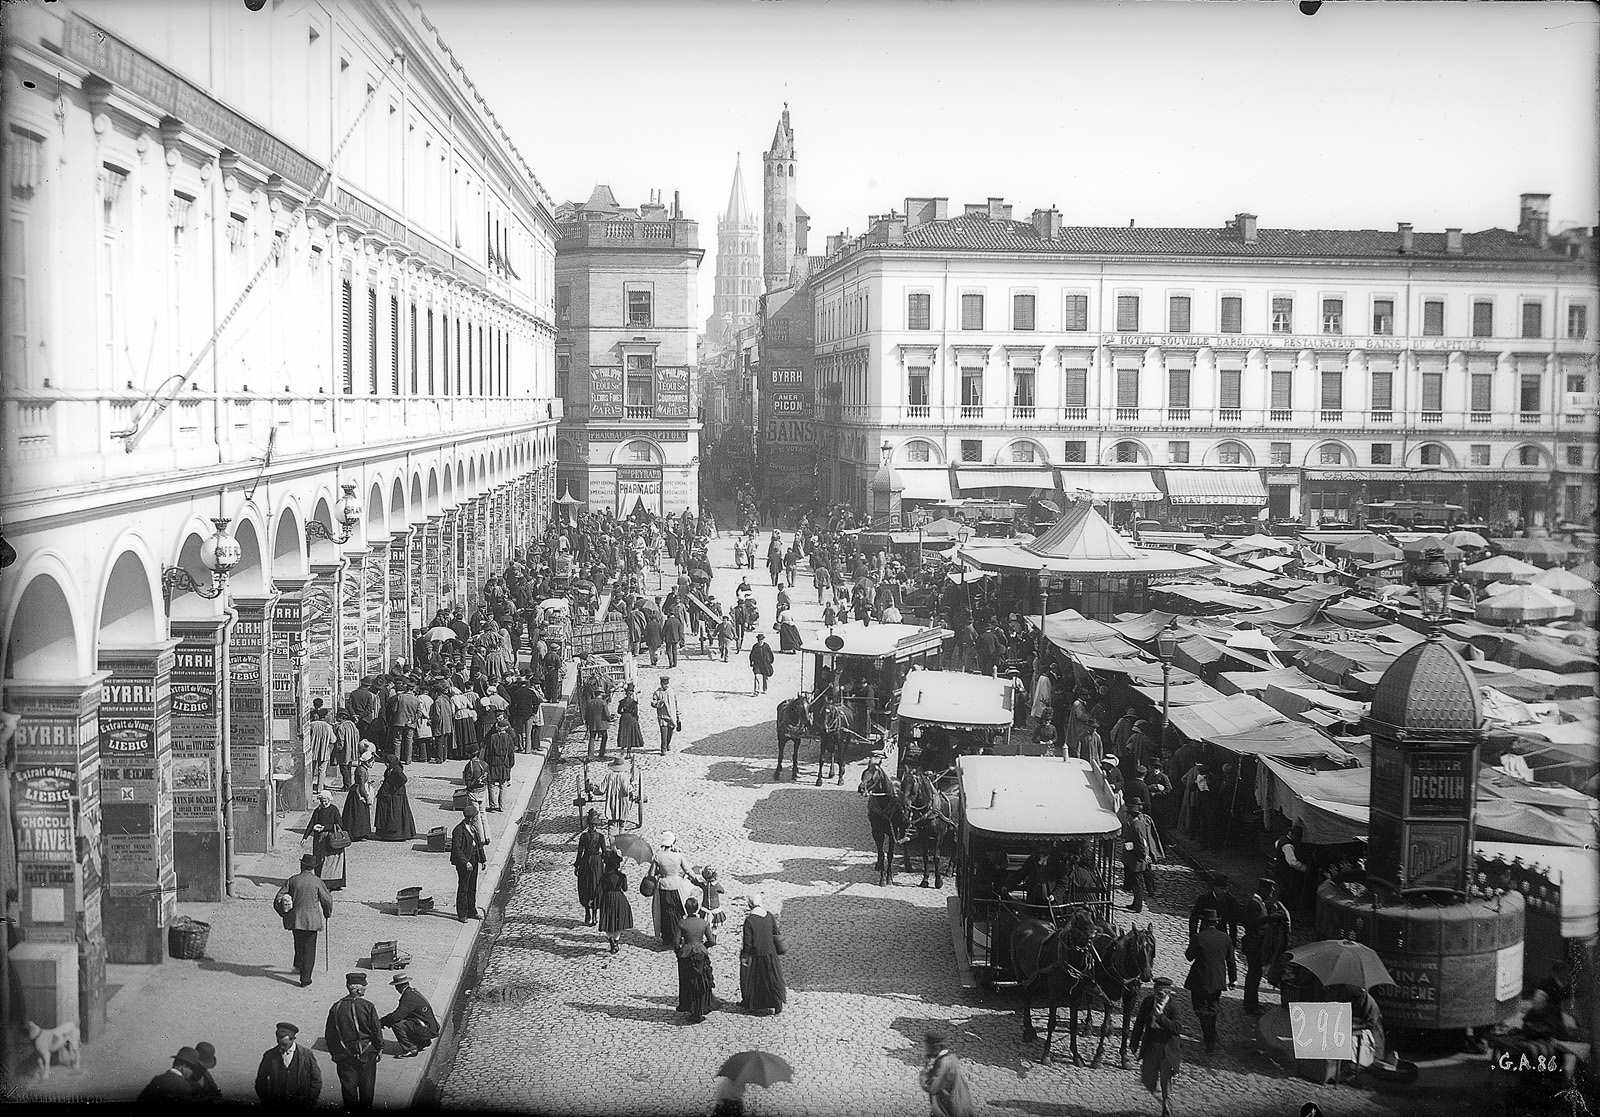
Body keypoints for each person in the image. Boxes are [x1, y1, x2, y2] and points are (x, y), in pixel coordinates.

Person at [324, 972, 383, 1111]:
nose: (365, 989)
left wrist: (335, 1054)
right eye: (364, 986)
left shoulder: (336, 1007)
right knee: (367, 1089)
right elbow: (376, 1030)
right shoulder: (368, 1006)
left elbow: (330, 1035)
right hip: (367, 1053)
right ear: (356, 988)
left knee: (348, 1090)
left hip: (344, 1055)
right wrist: (380, 1048)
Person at [275, 854, 333, 987]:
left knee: (298, 943)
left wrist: (283, 913)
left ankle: (299, 965)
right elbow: (327, 900)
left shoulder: (293, 880)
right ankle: (305, 978)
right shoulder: (318, 882)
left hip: (296, 920)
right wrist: (327, 913)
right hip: (312, 921)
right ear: (313, 868)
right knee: (309, 949)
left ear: (302, 865)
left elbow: (278, 899)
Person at [1130, 977, 1184, 1117]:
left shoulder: (1174, 1006)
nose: (1160, 997)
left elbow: (1177, 1028)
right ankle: (1163, 1100)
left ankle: (1167, 1108)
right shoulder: (1148, 1002)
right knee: (1147, 1079)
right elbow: (1140, 1022)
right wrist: (1134, 1043)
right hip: (1152, 1045)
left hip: (1168, 1049)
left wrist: (1160, 1017)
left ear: (1169, 993)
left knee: (1166, 1082)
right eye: (1158, 993)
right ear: (1154, 992)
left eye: (1163, 994)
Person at [1184, 909, 1233, 1054]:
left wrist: (1194, 941)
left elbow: (1189, 956)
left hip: (1200, 979)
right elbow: (1230, 960)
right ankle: (1212, 1034)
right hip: (1217, 979)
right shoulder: (1225, 938)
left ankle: (1209, 1038)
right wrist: (1233, 979)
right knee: (1213, 1007)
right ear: (1216, 922)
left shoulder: (1198, 937)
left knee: (1200, 1009)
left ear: (1203, 922)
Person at [1241, 878, 1291, 1015]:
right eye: (1270, 891)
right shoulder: (1254, 904)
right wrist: (1269, 918)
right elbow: (1250, 924)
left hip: (1257, 945)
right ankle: (1250, 1006)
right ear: (1263, 889)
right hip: (1253, 945)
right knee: (1253, 975)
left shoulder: (1260, 903)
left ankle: (1252, 1003)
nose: (1271, 894)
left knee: (1255, 975)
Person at [739, 890, 787, 1016]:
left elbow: (747, 943)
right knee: (773, 980)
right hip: (771, 954)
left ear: (750, 905)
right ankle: (777, 1004)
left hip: (757, 956)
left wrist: (745, 955)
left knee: (756, 981)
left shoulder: (749, 921)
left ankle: (756, 1004)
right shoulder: (769, 916)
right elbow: (776, 932)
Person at [649, 831, 700, 949]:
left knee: (665, 912)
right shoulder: (678, 856)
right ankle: (679, 935)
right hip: (677, 885)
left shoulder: (658, 856)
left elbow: (651, 873)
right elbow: (688, 870)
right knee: (678, 911)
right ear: (672, 844)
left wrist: (659, 873)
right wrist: (695, 879)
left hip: (663, 886)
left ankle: (667, 937)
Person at [255, 1022, 322, 1107]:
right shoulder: (269, 1056)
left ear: (293, 1039)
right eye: (278, 1041)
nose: (281, 1046)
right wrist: (266, 1101)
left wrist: (310, 1101)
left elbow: (316, 1080)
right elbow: (260, 1081)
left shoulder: (306, 1055)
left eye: (284, 1044)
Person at [675, 895, 718, 1023]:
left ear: (686, 909)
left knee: (688, 983)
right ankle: (701, 1007)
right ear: (697, 908)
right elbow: (712, 941)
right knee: (701, 982)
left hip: (686, 955)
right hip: (700, 955)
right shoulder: (703, 923)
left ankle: (689, 1007)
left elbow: (676, 943)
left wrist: (679, 951)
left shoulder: (682, 923)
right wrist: (703, 946)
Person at [380, 972, 439, 1058]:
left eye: (396, 986)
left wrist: (383, 1021)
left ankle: (410, 1049)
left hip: (427, 1029)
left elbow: (397, 1016)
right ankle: (422, 1042)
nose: (396, 989)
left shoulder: (408, 997)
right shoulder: (413, 992)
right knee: (407, 1022)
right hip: (430, 1026)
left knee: (397, 1025)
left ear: (399, 987)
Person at [919, 1030, 975, 1117]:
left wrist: (924, 1074)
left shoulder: (943, 1063)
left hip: (950, 1109)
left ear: (935, 1047)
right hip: (958, 1104)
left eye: (927, 1045)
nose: (925, 1048)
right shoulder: (951, 1057)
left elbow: (932, 1088)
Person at [450, 804, 487, 923]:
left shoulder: (473, 828)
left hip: (474, 860)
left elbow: (478, 845)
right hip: (465, 863)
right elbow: (456, 849)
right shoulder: (458, 830)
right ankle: (462, 914)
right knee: (464, 888)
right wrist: (465, 862)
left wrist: (483, 860)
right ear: (471, 818)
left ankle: (472, 910)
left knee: (472, 887)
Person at [304, 790, 346, 888]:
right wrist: (305, 837)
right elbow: (311, 823)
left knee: (333, 861)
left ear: (329, 800)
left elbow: (339, 824)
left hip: (332, 839)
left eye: (325, 801)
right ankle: (320, 881)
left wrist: (325, 827)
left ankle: (335, 883)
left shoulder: (334, 810)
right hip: (319, 840)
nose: (324, 803)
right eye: (322, 801)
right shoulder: (318, 810)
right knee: (320, 860)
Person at [574, 810, 608, 926]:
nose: (593, 827)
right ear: (589, 825)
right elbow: (580, 852)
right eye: (592, 825)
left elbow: (604, 853)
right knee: (587, 887)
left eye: (595, 825)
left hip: (594, 863)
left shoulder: (599, 837)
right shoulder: (585, 837)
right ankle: (588, 912)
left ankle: (593, 914)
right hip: (588, 863)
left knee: (595, 888)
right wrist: (577, 865)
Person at [139, 1046, 205, 1101]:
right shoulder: (183, 1086)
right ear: (184, 1066)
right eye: (192, 1069)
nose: (192, 1072)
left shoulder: (157, 1079)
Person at [482, 715, 517, 813]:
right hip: (504, 764)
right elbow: (511, 753)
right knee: (503, 785)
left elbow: (487, 754)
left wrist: (489, 762)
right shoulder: (509, 738)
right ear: (505, 728)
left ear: (498, 727)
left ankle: (493, 806)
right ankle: (503, 806)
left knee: (492, 784)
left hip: (493, 764)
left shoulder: (492, 737)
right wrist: (510, 765)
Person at [341, 744, 375, 841]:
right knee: (358, 814)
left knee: (360, 813)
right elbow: (361, 786)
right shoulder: (361, 771)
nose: (372, 763)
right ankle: (357, 833)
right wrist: (367, 797)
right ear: (367, 762)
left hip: (356, 791)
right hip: (357, 794)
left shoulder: (363, 769)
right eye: (371, 761)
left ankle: (361, 832)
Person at [1121, 807, 1151, 913]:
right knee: (1135, 883)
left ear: (1130, 815)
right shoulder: (1138, 824)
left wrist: (1143, 855)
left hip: (1136, 860)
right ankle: (1135, 903)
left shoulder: (1136, 826)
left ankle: (1138, 905)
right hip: (1135, 859)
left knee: (1137, 884)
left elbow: (1142, 843)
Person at [306, 709, 337, 792]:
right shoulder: (328, 726)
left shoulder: (312, 725)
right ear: (325, 716)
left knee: (311, 770)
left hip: (312, 751)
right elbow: (333, 740)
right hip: (324, 752)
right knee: (322, 771)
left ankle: (309, 787)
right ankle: (320, 789)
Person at [653, 676, 681, 755]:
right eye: (663, 684)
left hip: (671, 716)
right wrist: (658, 703)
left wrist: (677, 714)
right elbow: (653, 703)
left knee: (670, 733)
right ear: (661, 684)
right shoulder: (657, 692)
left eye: (666, 684)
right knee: (663, 733)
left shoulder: (671, 691)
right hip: (662, 716)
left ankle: (667, 743)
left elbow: (676, 703)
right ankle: (663, 749)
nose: (665, 685)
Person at [615, 684, 644, 754]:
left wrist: (623, 713)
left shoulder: (622, 702)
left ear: (626, 693)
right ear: (631, 694)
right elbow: (636, 713)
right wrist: (636, 720)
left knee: (623, 732)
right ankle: (628, 750)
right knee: (630, 734)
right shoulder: (634, 702)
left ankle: (622, 745)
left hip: (624, 718)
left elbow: (618, 711)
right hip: (631, 718)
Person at [584, 687, 611, 760]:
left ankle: (590, 755)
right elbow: (607, 714)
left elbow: (586, 714)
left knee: (592, 738)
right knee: (604, 737)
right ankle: (601, 753)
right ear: (601, 694)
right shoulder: (603, 702)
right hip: (602, 723)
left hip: (592, 723)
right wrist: (609, 719)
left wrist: (587, 721)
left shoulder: (589, 702)